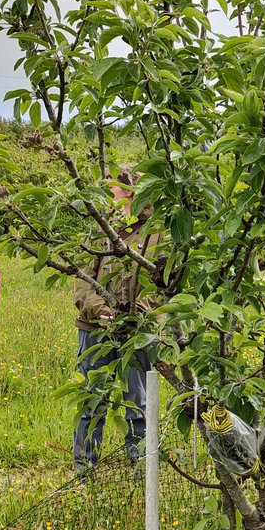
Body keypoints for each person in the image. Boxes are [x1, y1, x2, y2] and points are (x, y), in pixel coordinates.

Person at [73, 166, 159, 473]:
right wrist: (100, 311)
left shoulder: (156, 232)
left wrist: (135, 315)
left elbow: (162, 284)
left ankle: (141, 466)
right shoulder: (100, 229)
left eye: (111, 191)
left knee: (138, 399)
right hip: (96, 329)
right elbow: (82, 280)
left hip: (137, 331)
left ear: (129, 194)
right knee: (93, 398)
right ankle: (84, 468)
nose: (107, 197)